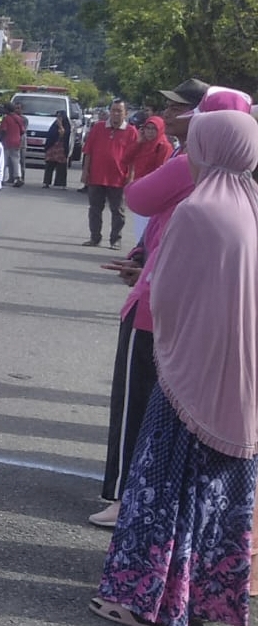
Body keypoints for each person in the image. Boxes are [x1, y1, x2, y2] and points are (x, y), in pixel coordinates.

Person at [90, 108, 258, 626]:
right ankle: (212, 601)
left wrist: (145, 276)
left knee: (161, 485)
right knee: (218, 492)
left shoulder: (197, 210)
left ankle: (142, 600)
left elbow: (169, 295)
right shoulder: (251, 205)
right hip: (240, 378)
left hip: (190, 374)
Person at [91, 81, 227, 530]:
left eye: (184, 109)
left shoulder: (194, 165)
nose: (171, 113)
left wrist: (150, 269)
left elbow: (140, 198)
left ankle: (123, 494)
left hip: (158, 304)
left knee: (136, 401)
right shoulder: (235, 182)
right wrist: (143, 257)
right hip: (190, 308)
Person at [82, 100, 138, 249]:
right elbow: (88, 152)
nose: (116, 113)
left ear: (125, 113)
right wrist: (85, 172)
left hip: (118, 178)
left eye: (119, 111)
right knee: (94, 209)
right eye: (113, 110)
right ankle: (95, 237)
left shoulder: (131, 131)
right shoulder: (99, 127)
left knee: (118, 211)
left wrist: (130, 177)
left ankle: (116, 239)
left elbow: (134, 158)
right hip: (97, 176)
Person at [126, 115, 173, 244]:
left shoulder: (163, 146)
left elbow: (161, 172)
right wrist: (138, 142)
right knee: (140, 224)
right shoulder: (143, 144)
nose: (150, 132)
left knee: (150, 226)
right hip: (141, 189)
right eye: (148, 128)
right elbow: (125, 159)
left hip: (153, 192)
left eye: (154, 129)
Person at [43, 109, 73, 188]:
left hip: (61, 148)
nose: (59, 118)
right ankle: (46, 182)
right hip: (52, 147)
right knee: (49, 165)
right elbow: (50, 135)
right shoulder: (54, 125)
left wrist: (60, 125)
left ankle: (61, 183)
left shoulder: (66, 125)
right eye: (58, 116)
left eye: (60, 116)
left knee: (61, 166)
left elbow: (64, 134)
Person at [0, 102, 26, 186]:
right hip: (17, 142)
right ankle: (18, 177)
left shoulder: (6, 118)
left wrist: (0, 139)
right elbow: (22, 131)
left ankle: (1, 178)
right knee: (16, 160)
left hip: (7, 142)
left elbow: (4, 130)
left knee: (4, 161)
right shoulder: (19, 118)